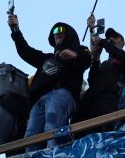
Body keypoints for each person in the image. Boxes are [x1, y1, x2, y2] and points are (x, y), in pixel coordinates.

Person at [7, 14, 90, 144]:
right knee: (30, 136)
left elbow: (87, 60)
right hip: (39, 100)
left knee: (52, 127)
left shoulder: (81, 50)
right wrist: (15, 29)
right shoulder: (46, 58)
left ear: (70, 34)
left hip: (62, 93)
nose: (57, 33)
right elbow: (25, 51)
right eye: (55, 31)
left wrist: (74, 55)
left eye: (62, 30)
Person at [73, 16, 125, 124]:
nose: (111, 39)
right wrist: (96, 59)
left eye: (115, 36)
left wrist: (102, 41)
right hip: (92, 106)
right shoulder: (105, 64)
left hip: (111, 103)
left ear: (123, 41)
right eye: (108, 38)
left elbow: (118, 53)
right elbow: (92, 81)